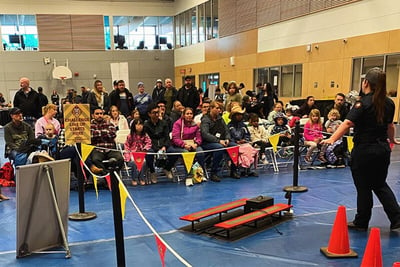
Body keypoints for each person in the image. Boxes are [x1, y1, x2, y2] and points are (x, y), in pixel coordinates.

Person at [322, 67, 400, 231]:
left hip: (365, 150)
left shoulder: (362, 103)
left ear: (366, 83)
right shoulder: (389, 103)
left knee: (363, 186)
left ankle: (362, 221)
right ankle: (397, 218)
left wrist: (332, 139)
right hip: (382, 149)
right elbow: (390, 126)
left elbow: (348, 123)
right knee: (380, 184)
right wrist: (392, 140)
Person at [200, 100, 238, 182]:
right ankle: (213, 173)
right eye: (217, 108)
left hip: (222, 140)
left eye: (220, 109)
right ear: (211, 108)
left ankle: (233, 171)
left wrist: (227, 139)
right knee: (219, 148)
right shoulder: (205, 119)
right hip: (207, 143)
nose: (219, 110)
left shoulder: (220, 119)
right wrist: (218, 141)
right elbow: (205, 134)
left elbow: (226, 130)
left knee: (234, 146)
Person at [143, 103, 174, 183]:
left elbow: (167, 137)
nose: (156, 114)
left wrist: (164, 146)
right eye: (154, 113)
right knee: (149, 154)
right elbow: (147, 140)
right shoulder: (146, 125)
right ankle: (152, 172)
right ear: (149, 114)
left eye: (158, 112)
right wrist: (157, 149)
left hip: (164, 146)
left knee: (174, 153)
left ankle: (167, 169)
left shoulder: (164, 123)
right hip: (152, 146)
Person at [170, 107, 205, 177]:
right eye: (187, 114)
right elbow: (175, 138)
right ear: (183, 115)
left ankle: (201, 174)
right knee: (187, 153)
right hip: (180, 146)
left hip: (193, 144)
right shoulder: (177, 124)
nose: (189, 115)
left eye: (191, 114)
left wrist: (196, 144)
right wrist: (184, 145)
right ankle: (188, 175)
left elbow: (199, 137)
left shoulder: (195, 124)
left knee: (200, 152)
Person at [90, 108, 124, 175]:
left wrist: (98, 134)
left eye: (101, 113)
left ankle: (113, 175)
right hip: (97, 150)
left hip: (110, 149)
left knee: (120, 158)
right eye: (97, 114)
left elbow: (113, 134)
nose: (99, 115)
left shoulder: (109, 124)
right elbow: (91, 136)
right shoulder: (90, 126)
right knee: (95, 160)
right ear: (92, 115)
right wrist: (106, 133)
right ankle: (106, 176)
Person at [227, 106, 258, 177]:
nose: (240, 116)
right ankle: (239, 170)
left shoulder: (243, 125)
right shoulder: (229, 126)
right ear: (233, 116)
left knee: (250, 148)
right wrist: (235, 141)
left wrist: (245, 140)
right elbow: (227, 136)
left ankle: (250, 170)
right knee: (238, 149)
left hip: (244, 143)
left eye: (240, 114)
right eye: (238, 115)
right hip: (234, 144)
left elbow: (247, 135)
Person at [124, 118, 152, 186]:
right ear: (134, 126)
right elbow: (126, 146)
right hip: (132, 154)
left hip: (141, 153)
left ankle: (141, 178)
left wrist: (144, 149)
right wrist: (127, 156)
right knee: (133, 163)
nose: (139, 126)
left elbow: (149, 143)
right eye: (137, 124)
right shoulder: (130, 136)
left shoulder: (145, 135)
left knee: (144, 162)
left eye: (141, 124)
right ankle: (134, 179)